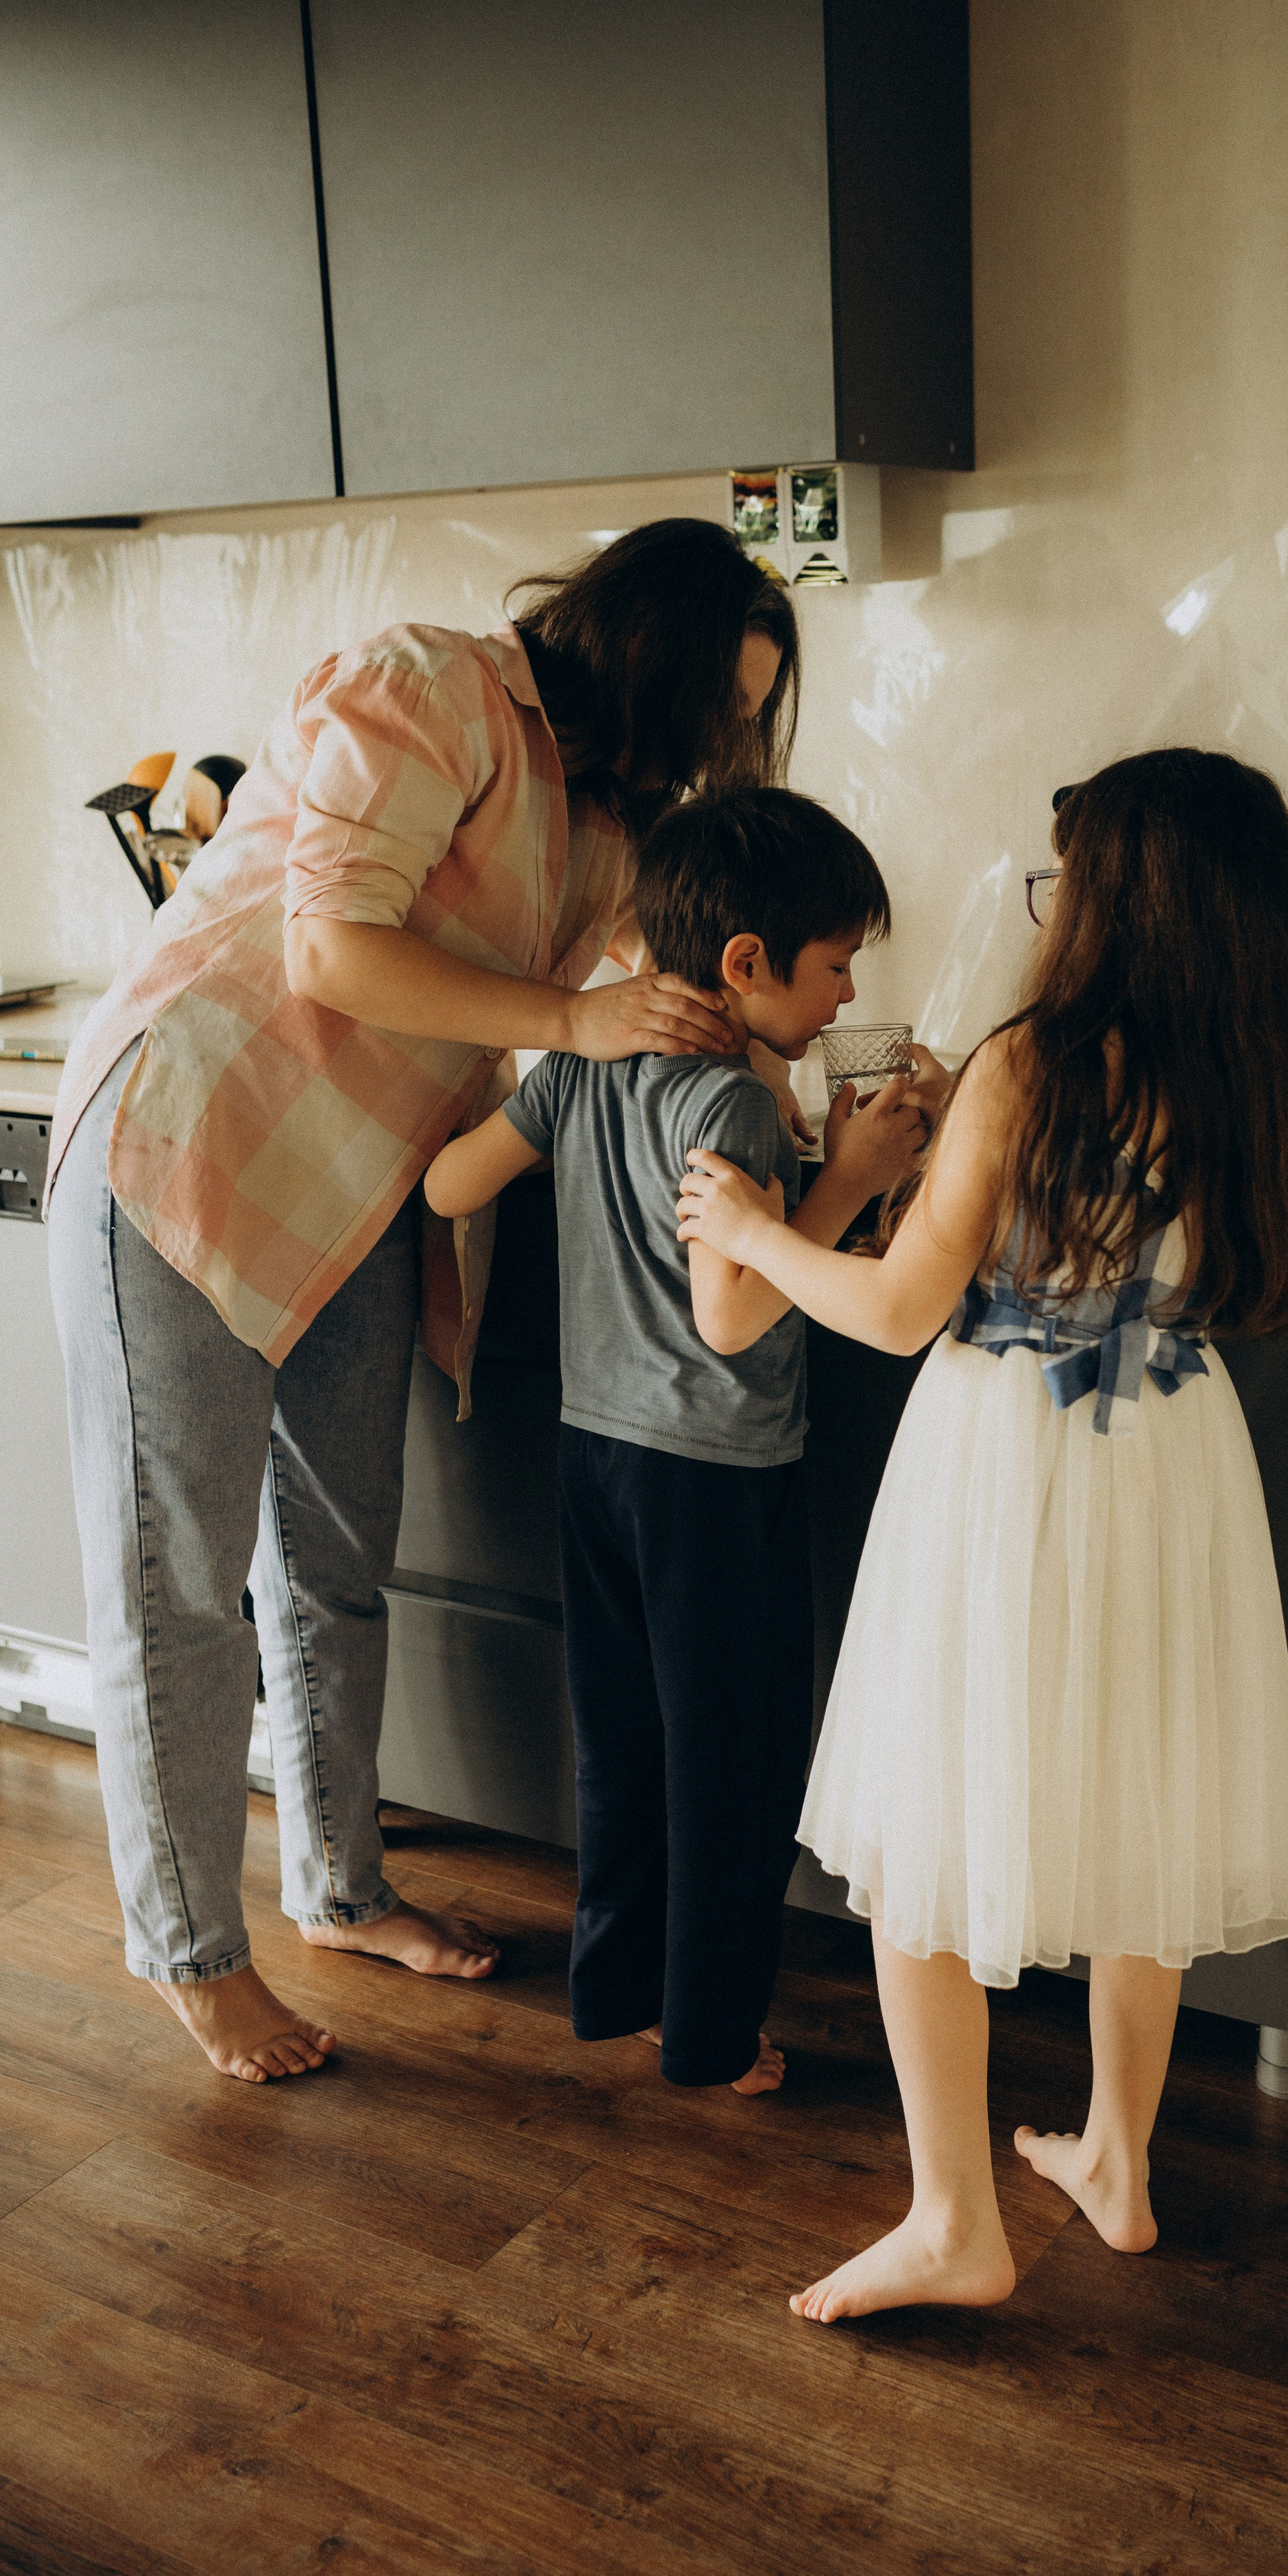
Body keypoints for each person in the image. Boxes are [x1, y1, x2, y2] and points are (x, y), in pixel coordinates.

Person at [45, 519, 800, 2086]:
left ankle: (338, 1886)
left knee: (333, 1568)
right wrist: (572, 1018)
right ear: (646, 657)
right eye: (723, 709)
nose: (728, 744)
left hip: (354, 1196)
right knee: (177, 1583)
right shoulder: (433, 689)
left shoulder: (601, 826)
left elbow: (626, 1004)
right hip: (188, 1149)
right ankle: (194, 1956)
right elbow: (332, 948)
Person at [675, 748, 1288, 2318]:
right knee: (1148, 1804)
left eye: (1067, 881)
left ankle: (951, 2221)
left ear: (1116, 898)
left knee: (922, 1827)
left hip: (1009, 1453)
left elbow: (901, 1309)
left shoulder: (1032, 1063)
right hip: (1176, 1455)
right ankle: (1114, 2161)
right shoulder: (1268, 1056)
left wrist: (753, 1228)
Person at [425, 788, 930, 2093]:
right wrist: (851, 1184)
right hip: (713, 1476)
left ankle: (624, 1994)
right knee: (734, 1766)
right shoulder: (736, 1111)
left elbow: (448, 1184)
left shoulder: (586, 1063)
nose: (849, 989)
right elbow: (732, 1309)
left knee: (629, 1744)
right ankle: (711, 2037)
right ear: (748, 965)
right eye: (835, 965)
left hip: (594, 1457)